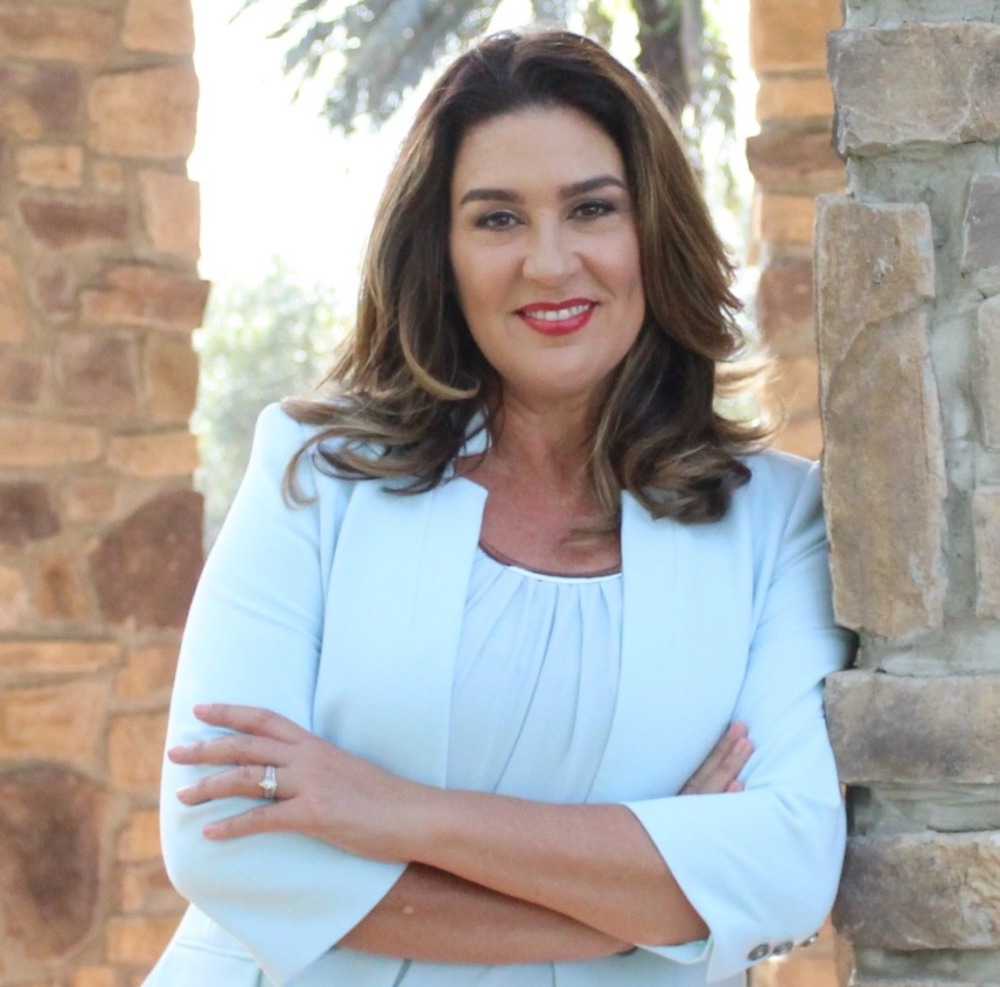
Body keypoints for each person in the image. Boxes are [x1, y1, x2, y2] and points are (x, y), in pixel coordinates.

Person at [146, 28, 853, 987]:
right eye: (497, 220)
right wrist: (645, 899)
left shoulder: (778, 523)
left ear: (652, 229)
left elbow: (786, 868)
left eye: (591, 209)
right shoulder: (315, 475)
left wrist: (396, 812)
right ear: (439, 251)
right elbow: (222, 840)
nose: (550, 263)